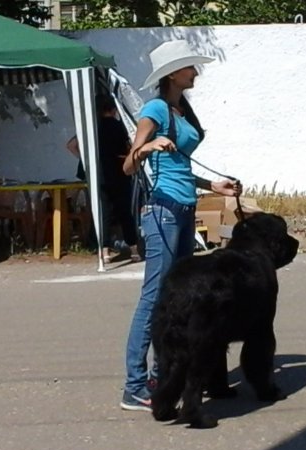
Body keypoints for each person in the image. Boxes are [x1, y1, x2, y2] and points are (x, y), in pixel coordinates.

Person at [119, 40, 242, 411]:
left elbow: (181, 166)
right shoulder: (155, 108)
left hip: (184, 209)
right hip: (164, 212)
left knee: (179, 297)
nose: (196, 72)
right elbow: (129, 164)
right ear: (173, 73)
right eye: (190, 66)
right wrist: (148, 145)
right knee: (155, 298)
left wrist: (213, 186)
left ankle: (164, 375)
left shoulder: (181, 110)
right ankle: (135, 385)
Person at [66, 94, 140, 262]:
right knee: (125, 213)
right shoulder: (120, 127)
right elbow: (131, 147)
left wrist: (86, 161)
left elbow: (70, 145)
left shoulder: (91, 128)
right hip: (120, 173)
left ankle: (104, 252)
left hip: (98, 174)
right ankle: (134, 250)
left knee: (103, 214)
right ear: (114, 110)